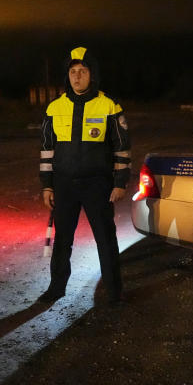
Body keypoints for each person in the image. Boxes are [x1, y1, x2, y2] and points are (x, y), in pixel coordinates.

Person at [37, 46, 131, 306]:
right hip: (64, 185)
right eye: (73, 72)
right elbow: (47, 150)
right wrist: (47, 186)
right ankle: (56, 289)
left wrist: (120, 183)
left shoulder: (109, 106)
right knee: (62, 242)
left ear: (93, 74)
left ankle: (114, 291)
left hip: (97, 185)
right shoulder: (54, 108)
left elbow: (121, 147)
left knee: (105, 239)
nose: (77, 77)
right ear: (67, 76)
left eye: (83, 71)